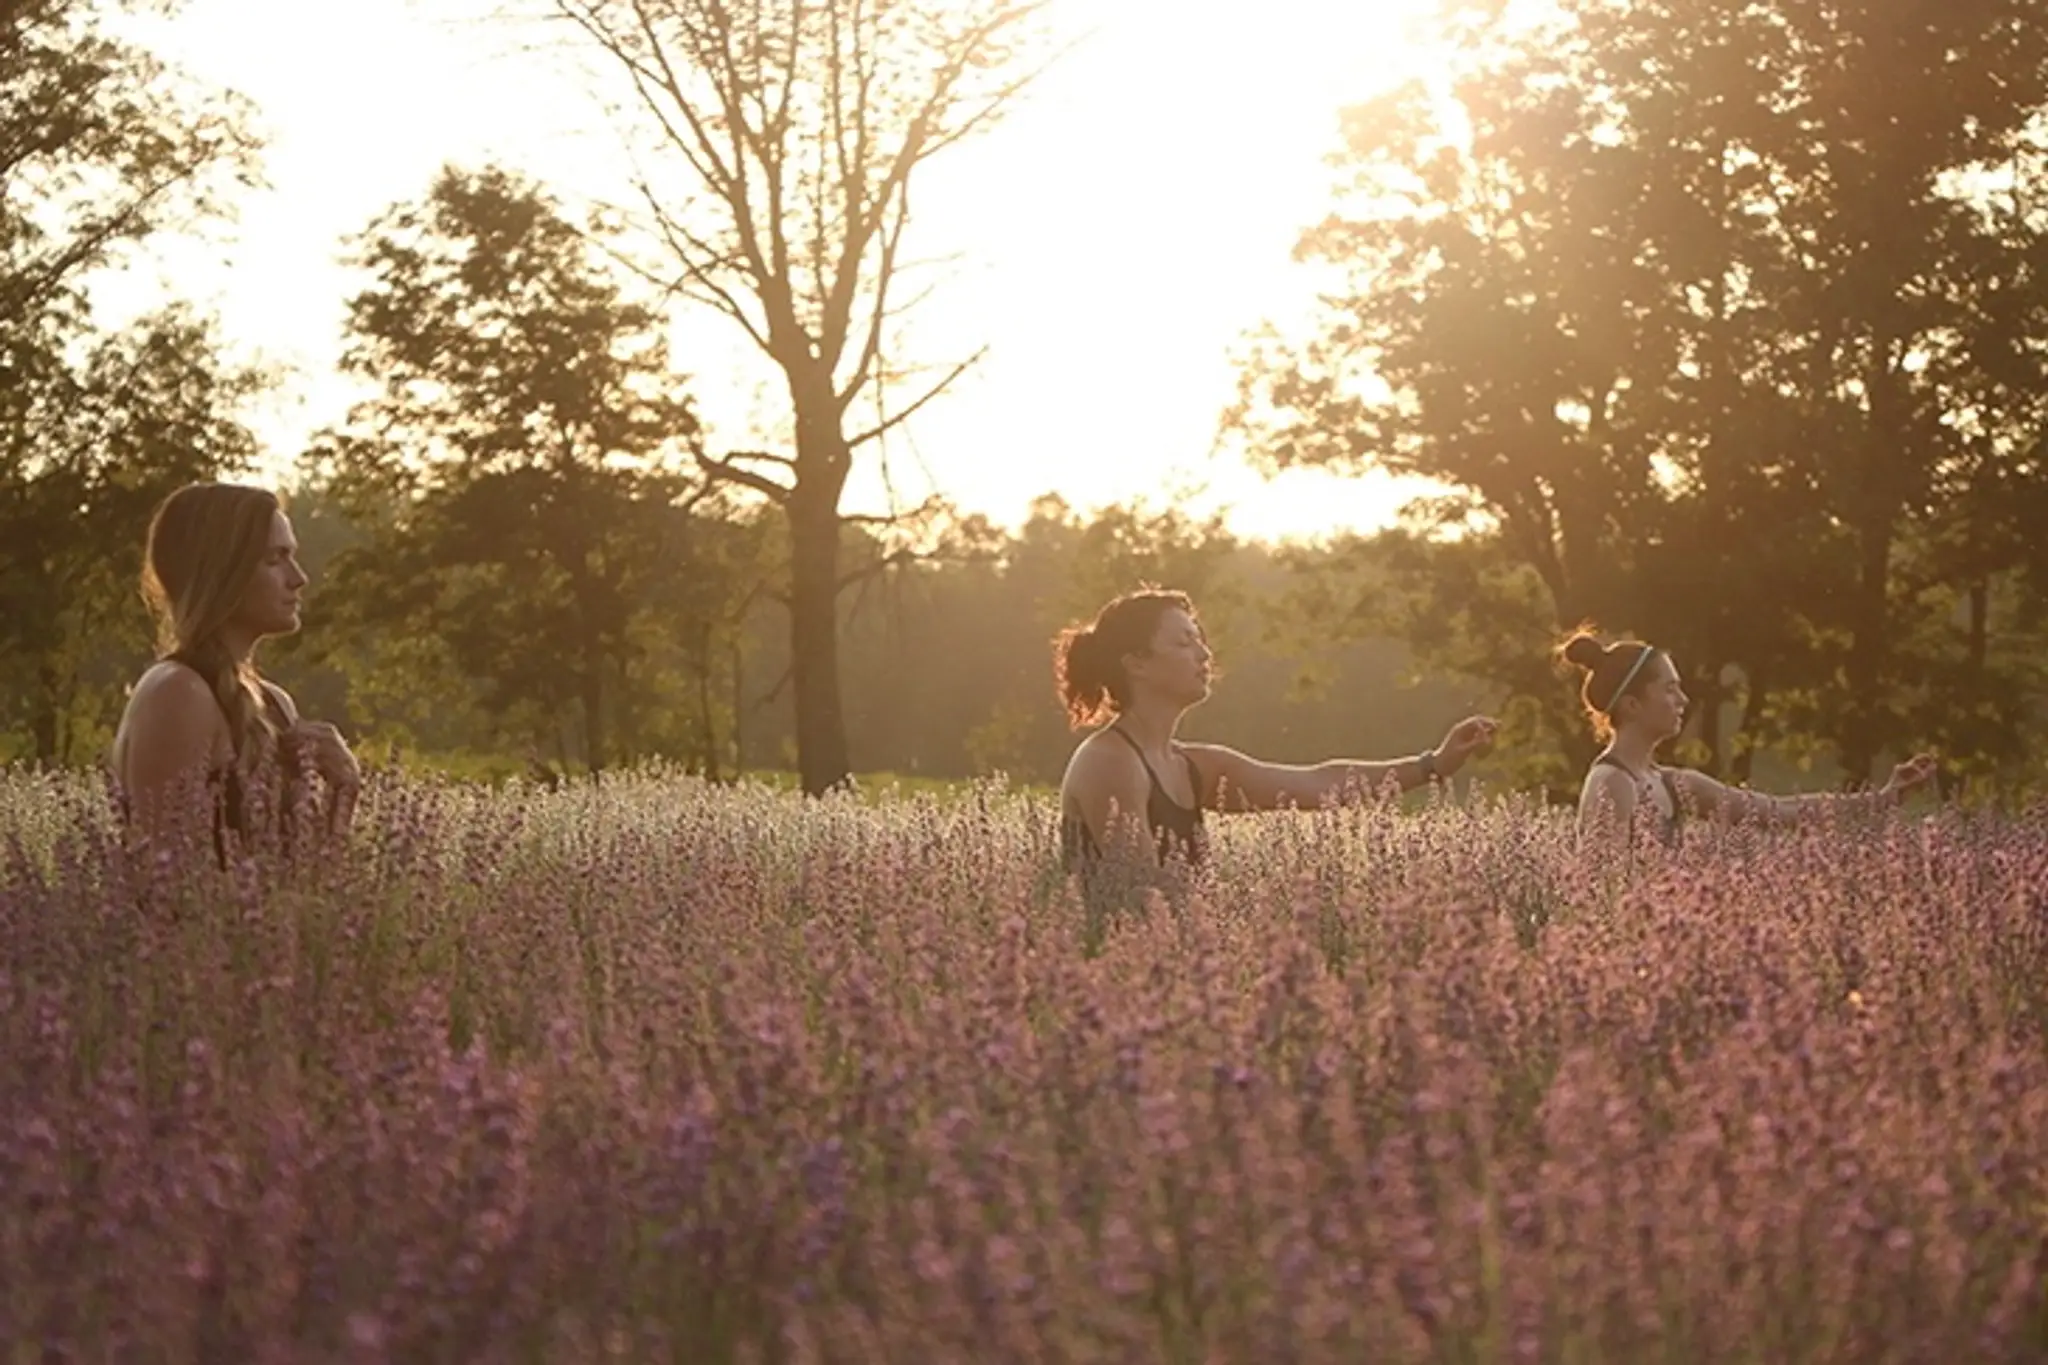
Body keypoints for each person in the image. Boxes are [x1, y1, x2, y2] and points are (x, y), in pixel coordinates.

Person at [1051, 587, 1500, 870]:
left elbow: (1318, 783)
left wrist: (1434, 765)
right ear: (1137, 664)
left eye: (1201, 640)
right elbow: (1139, 900)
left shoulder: (1193, 765)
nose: (1204, 655)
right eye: (1184, 642)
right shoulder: (1110, 763)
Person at [110, 483, 361, 862]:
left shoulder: (275, 703)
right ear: (224, 571)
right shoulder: (178, 693)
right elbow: (163, 891)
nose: (299, 578)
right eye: (275, 559)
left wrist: (345, 787)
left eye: (292, 555)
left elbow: (308, 889)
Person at [1558, 629, 1938, 850]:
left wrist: (1883, 799)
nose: (1683, 700)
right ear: (1633, 704)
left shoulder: (1674, 784)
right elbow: (1597, 900)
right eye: (1670, 689)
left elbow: (1779, 812)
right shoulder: (1612, 784)